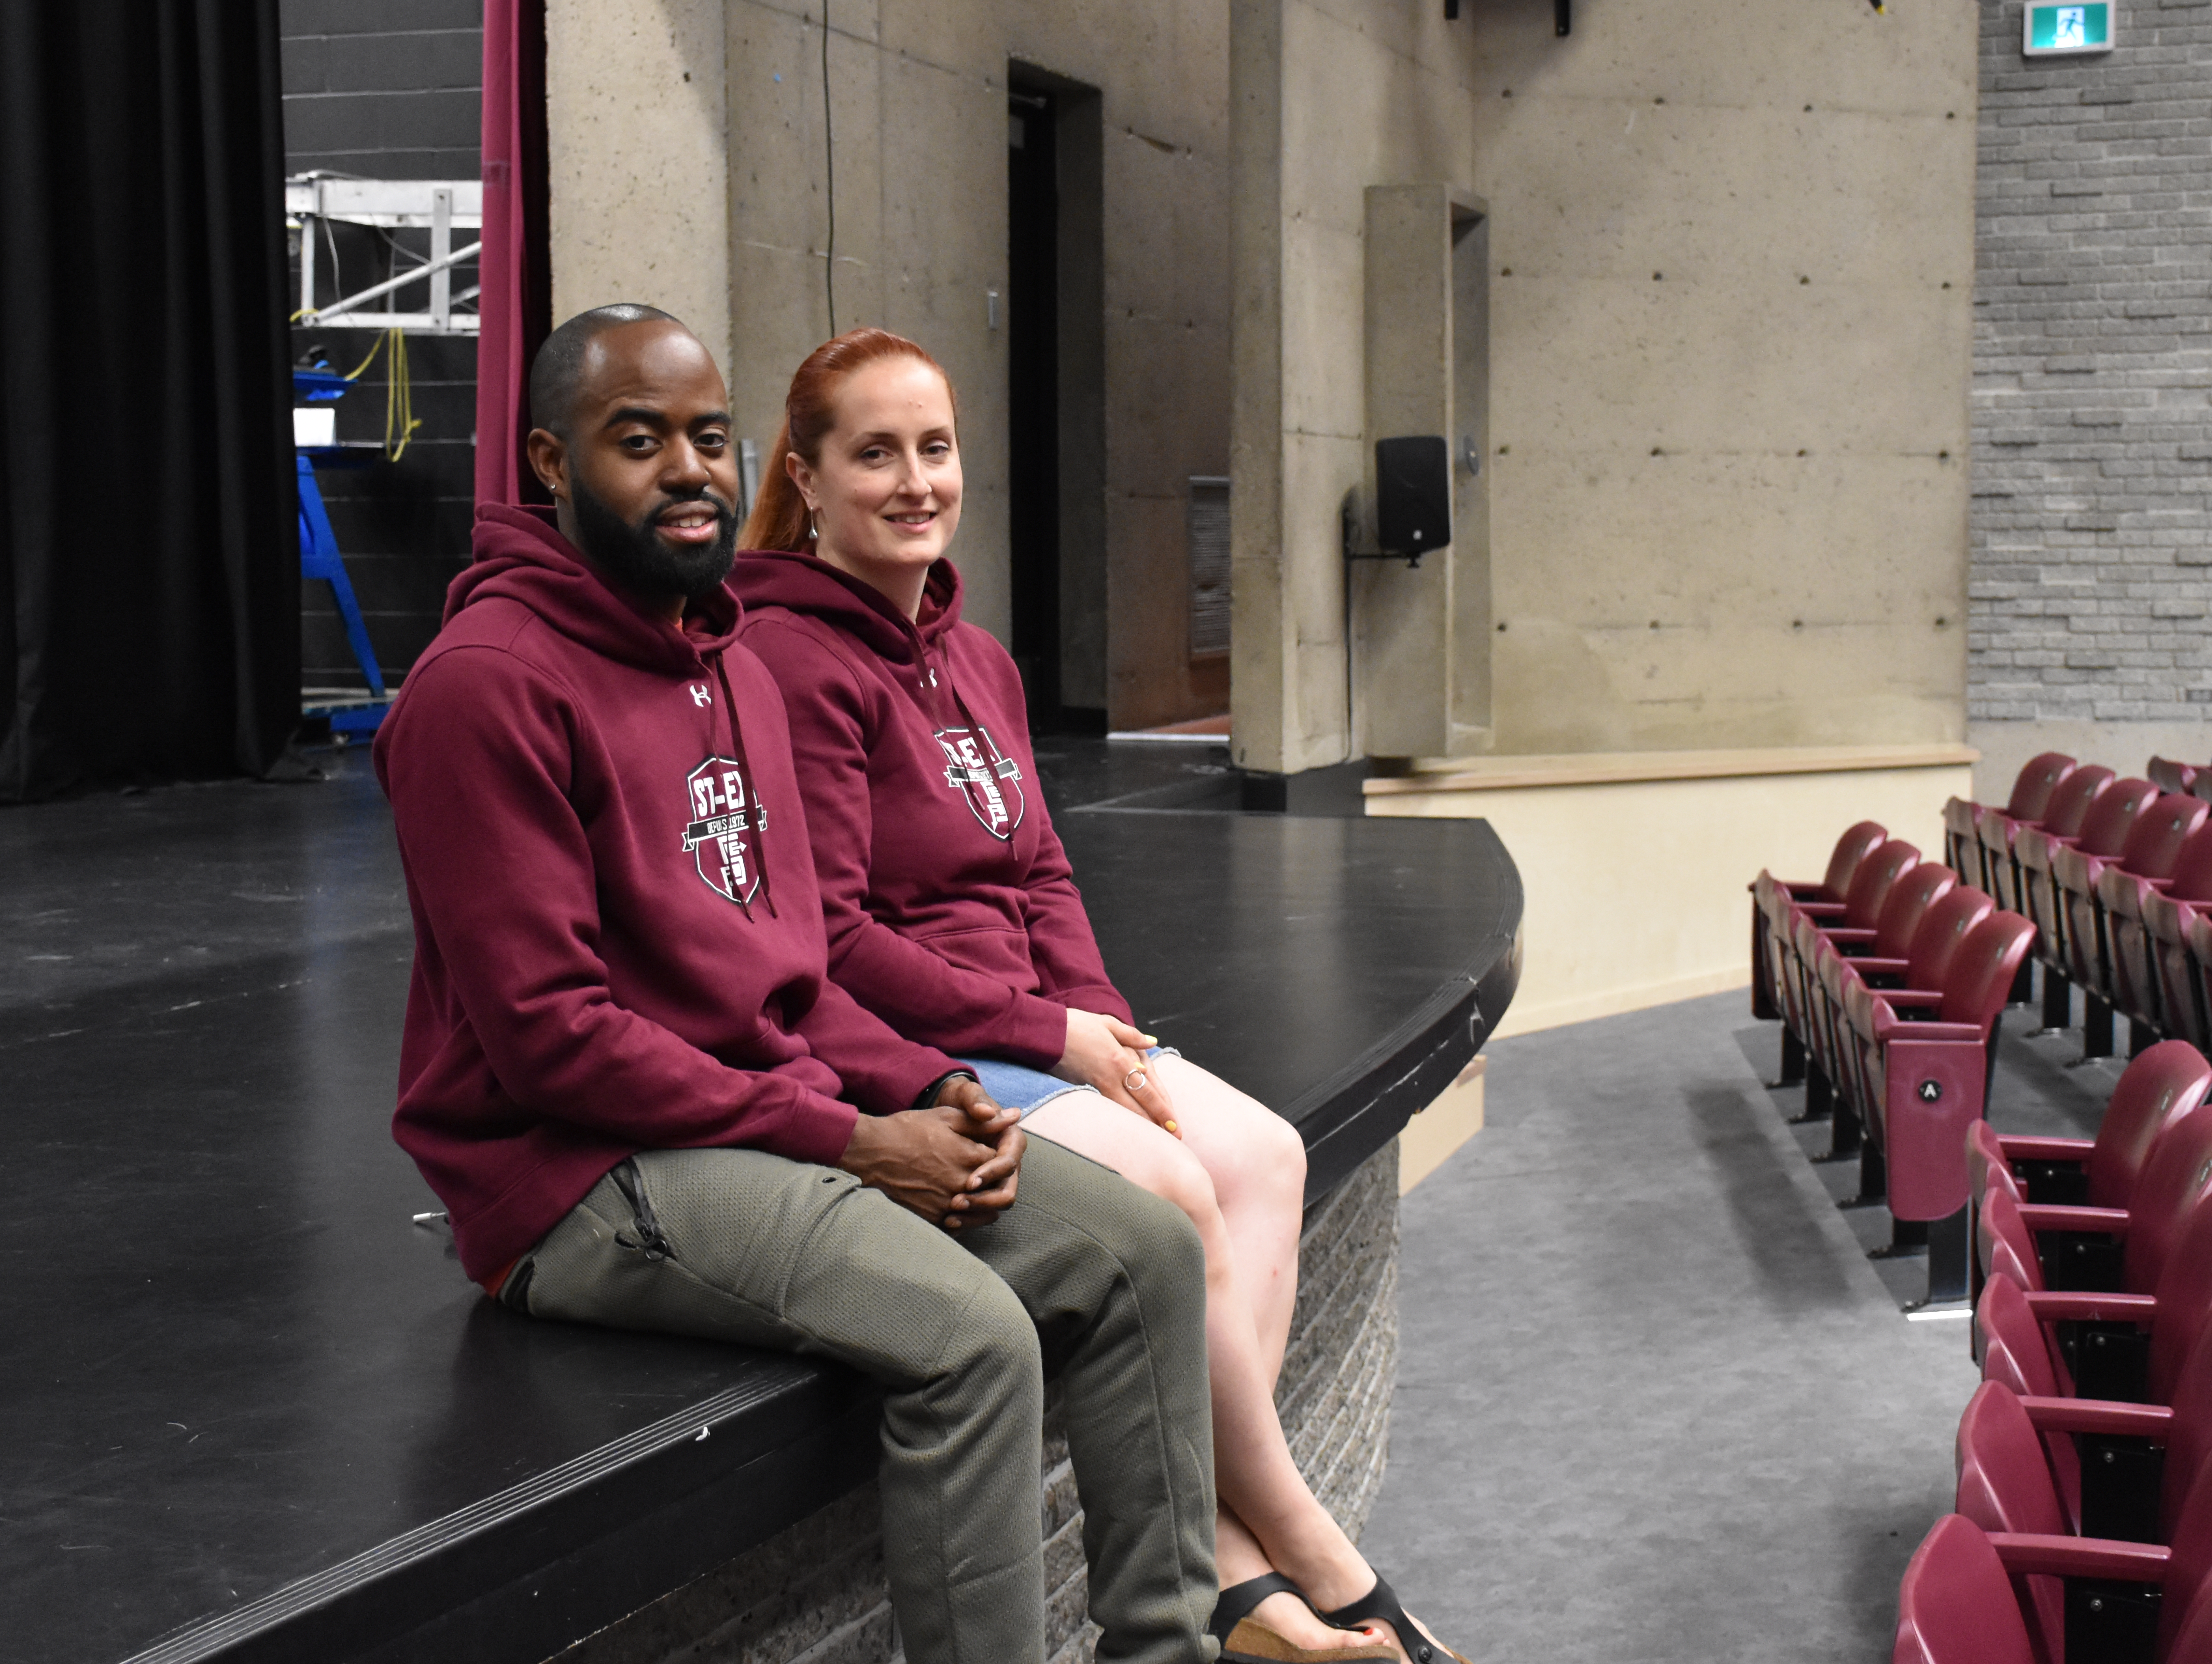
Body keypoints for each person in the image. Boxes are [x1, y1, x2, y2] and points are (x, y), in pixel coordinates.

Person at [376, 305, 1221, 1664]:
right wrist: (856, 1137)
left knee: (1146, 1255)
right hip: (577, 1177)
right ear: (548, 461)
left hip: (753, 1112)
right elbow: (551, 1045)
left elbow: (790, 971)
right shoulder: (484, 688)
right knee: (971, 1338)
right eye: (636, 441)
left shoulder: (727, 666)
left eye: (709, 438)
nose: (687, 471)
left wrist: (930, 1084)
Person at [730, 328, 1469, 1664]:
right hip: (912, 1049)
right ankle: (1298, 1542)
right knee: (1171, 1198)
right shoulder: (792, 660)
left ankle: (1230, 1571)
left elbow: (1042, 870)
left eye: (936, 449)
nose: (915, 481)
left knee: (1261, 1153)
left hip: (1034, 1025)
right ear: (810, 473)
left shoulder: (978, 657)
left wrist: (1099, 1026)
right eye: (876, 454)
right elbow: (834, 944)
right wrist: (1047, 1036)